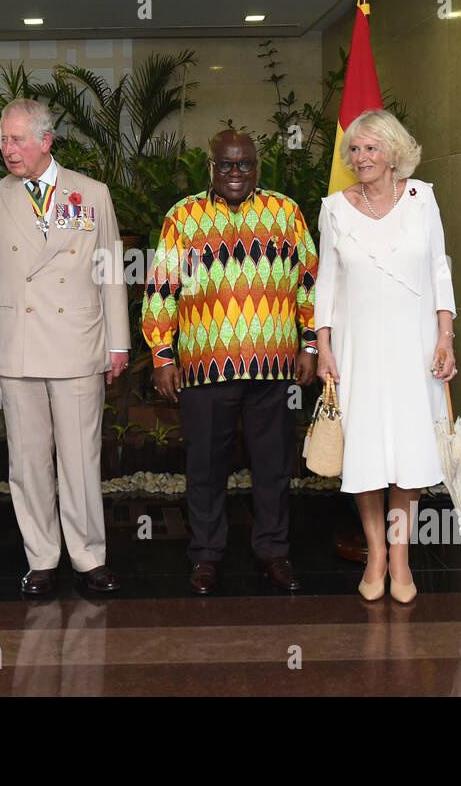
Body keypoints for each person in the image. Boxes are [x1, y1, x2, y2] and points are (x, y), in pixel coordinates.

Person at [142, 129, 319, 595]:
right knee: (204, 465)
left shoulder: (286, 212)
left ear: (257, 166)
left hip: (275, 366)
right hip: (204, 367)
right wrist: (162, 357)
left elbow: (310, 282)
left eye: (245, 164)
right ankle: (205, 556)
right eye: (226, 165)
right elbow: (162, 288)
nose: (236, 173)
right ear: (211, 167)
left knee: (274, 465)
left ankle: (273, 551)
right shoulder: (182, 217)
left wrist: (311, 345)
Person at [0, 99, 130, 596]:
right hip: (15, 347)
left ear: (46, 141)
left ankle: (89, 557)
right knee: (27, 459)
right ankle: (41, 557)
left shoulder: (92, 193)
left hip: (78, 342)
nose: (7, 148)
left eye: (18, 139)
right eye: (3, 138)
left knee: (82, 459)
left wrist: (119, 342)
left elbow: (108, 270)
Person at [314, 110, 457, 604]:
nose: (361, 158)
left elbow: (440, 267)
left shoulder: (422, 199)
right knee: (368, 452)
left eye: (371, 148)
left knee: (409, 452)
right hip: (359, 348)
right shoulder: (333, 208)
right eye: (354, 150)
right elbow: (326, 283)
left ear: (394, 152)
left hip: (415, 345)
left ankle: (401, 555)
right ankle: (376, 552)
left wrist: (446, 336)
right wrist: (324, 346)